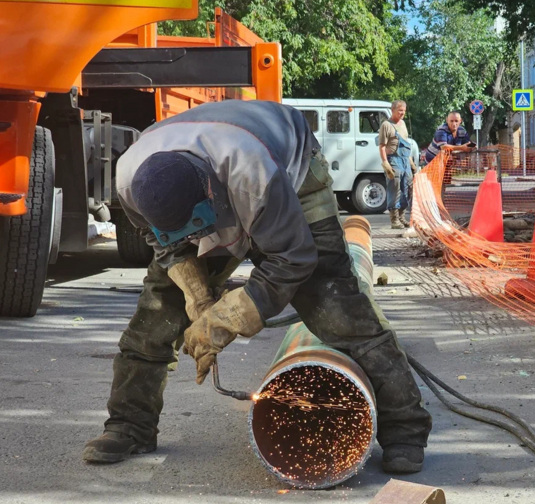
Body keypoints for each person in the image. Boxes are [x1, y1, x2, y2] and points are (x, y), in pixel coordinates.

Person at [82, 100, 432, 474]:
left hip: (293, 179)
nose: (202, 240)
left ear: (211, 195)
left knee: (338, 309)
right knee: (156, 317)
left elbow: (294, 258)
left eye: (199, 228)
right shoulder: (129, 180)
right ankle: (129, 425)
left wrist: (227, 319)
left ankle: (405, 429)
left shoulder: (253, 173)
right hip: (213, 181)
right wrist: (198, 296)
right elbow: (163, 246)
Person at [379, 100, 417, 229]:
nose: (402, 113)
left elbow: (406, 144)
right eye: (400, 110)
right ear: (392, 110)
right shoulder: (386, 125)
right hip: (393, 160)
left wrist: (411, 162)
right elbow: (382, 146)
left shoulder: (403, 124)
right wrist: (385, 163)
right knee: (394, 189)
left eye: (404, 111)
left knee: (407, 188)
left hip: (405, 160)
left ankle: (401, 216)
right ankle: (394, 220)